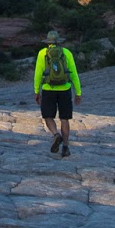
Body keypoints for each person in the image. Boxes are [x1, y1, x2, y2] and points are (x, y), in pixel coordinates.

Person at [33, 29, 80, 157]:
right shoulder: (66, 53)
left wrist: (37, 91)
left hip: (48, 89)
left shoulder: (42, 53)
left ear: (48, 42)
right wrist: (78, 92)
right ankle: (65, 147)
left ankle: (55, 134)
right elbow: (74, 73)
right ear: (59, 42)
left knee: (48, 116)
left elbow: (38, 74)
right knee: (64, 118)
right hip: (65, 90)